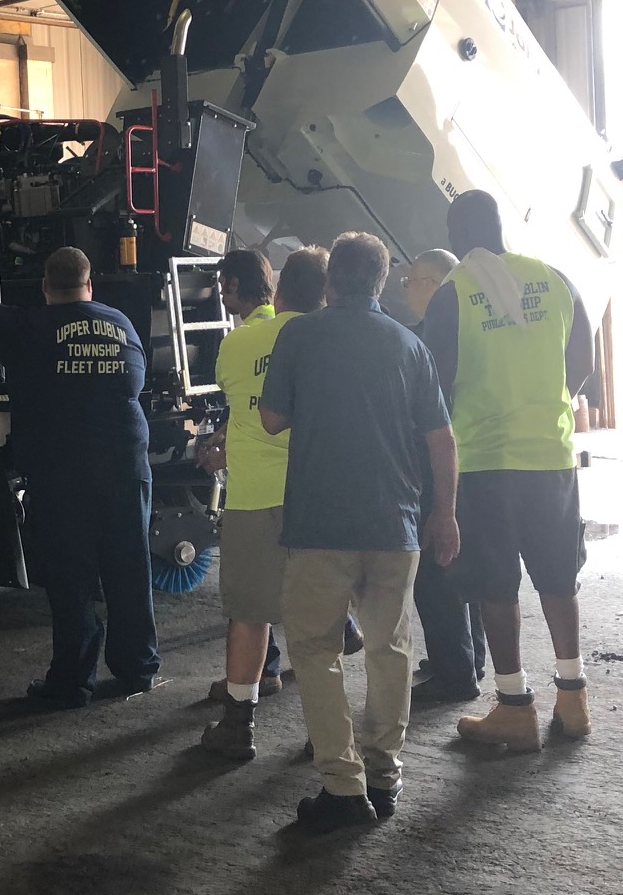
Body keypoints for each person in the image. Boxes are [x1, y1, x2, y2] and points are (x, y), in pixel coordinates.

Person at [258, 232, 459, 831]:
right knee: (390, 647)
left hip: (321, 523)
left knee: (316, 651)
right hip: (396, 523)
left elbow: (272, 420)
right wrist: (444, 513)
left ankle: (343, 786)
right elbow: (441, 439)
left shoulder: (300, 334)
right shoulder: (409, 344)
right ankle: (384, 773)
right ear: (380, 280)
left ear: (329, 282)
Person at [0, 230, 161, 707]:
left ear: (46, 286)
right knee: (129, 568)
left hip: (62, 474)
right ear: (90, 286)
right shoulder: (123, 325)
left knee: (71, 580)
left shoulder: (31, 328)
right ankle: (137, 668)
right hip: (126, 467)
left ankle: (71, 682)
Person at [420, 191, 593, 751]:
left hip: (487, 461)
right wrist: (545, 403)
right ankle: (573, 699)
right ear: (501, 228)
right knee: (558, 578)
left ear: (455, 235)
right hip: (551, 455)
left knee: (496, 586)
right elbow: (583, 364)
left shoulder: (454, 295)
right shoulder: (557, 280)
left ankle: (514, 706)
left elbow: (434, 386)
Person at [195, 248, 329, 731]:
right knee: (317, 620)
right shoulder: (321, 340)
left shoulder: (236, 346)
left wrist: (222, 443)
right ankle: (325, 732)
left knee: (250, 614)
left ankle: (238, 725)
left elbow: (249, 415)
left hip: (253, 496)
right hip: (313, 493)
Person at [399, 248, 487, 706]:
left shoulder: (423, 339)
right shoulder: (476, 327)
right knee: (459, 563)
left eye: (410, 280)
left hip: (436, 465)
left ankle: (455, 673)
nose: (406, 289)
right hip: (476, 458)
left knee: (435, 572)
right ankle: (468, 660)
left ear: (433, 285)